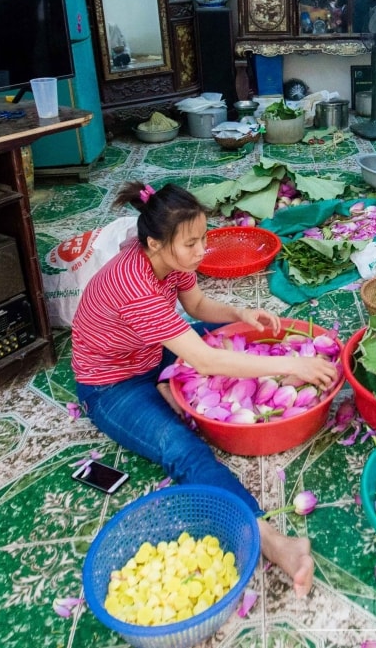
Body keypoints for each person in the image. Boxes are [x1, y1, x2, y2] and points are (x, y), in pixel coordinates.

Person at [71, 181, 338, 597]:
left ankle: (168, 386)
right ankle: (273, 541)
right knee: (184, 451)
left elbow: (196, 307)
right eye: (191, 244)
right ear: (155, 244)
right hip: (110, 384)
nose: (201, 252)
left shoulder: (169, 259)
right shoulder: (134, 285)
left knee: (224, 330)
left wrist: (238, 311)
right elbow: (206, 361)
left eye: (203, 240)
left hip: (148, 350)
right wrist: (292, 363)